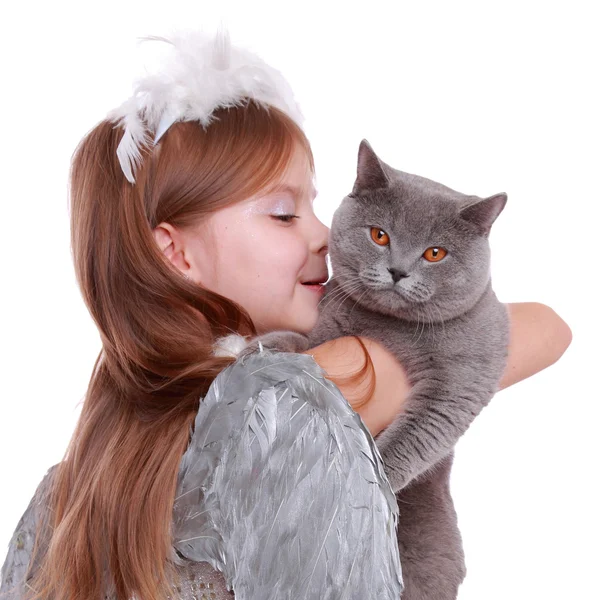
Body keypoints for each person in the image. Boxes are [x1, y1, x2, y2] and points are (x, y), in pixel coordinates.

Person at [0, 26, 572, 600]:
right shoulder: (291, 397)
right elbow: (548, 328)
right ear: (176, 252)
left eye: (316, 205)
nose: (324, 236)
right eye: (283, 214)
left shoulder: (65, 495)